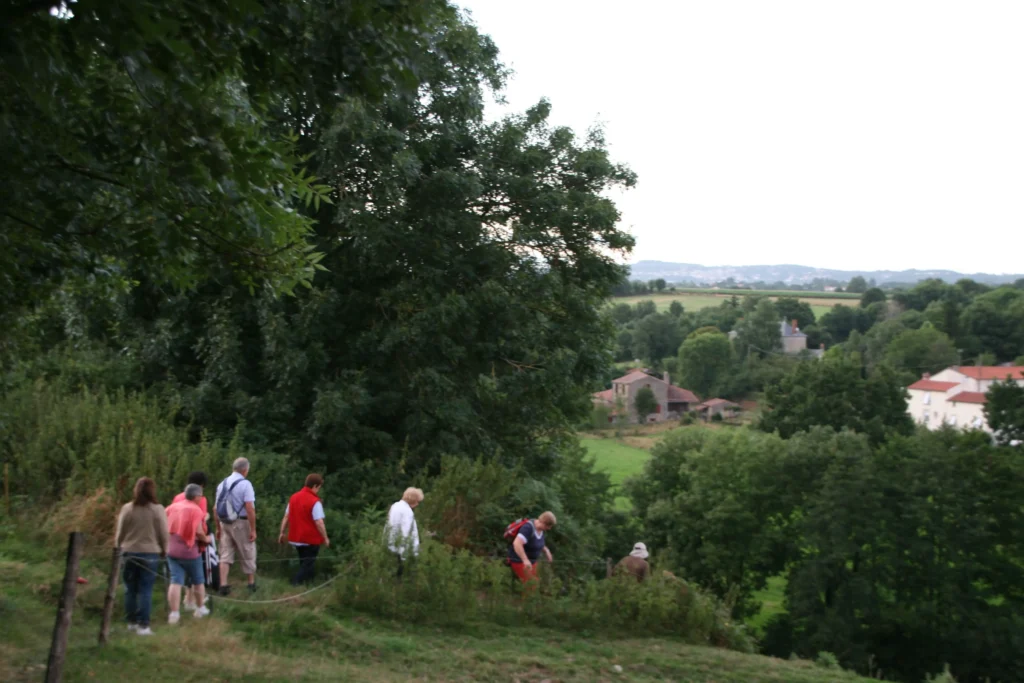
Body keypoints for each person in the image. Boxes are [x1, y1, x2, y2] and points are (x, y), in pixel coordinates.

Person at [115, 477, 169, 636]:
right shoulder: (157, 509)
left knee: (130, 589)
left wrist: (117, 546)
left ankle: (131, 621)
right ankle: (143, 625)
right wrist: (165, 549)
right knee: (146, 589)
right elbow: (163, 532)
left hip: (129, 551)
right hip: (150, 552)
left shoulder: (128, 508)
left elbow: (121, 531)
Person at [165, 484, 212, 623]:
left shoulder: (172, 507)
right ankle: (200, 608)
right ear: (197, 496)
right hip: (189, 551)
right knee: (198, 580)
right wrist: (207, 539)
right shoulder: (196, 510)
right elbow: (198, 531)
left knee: (175, 580)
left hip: (172, 549)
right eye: (201, 495)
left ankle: (174, 614)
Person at [215, 457, 257, 595]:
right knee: (247, 550)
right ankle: (251, 584)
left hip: (224, 522)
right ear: (245, 470)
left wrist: (217, 527)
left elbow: (215, 508)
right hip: (240, 522)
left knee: (225, 553)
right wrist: (253, 529)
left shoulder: (222, 484)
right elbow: (249, 508)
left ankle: (223, 585)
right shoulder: (245, 484)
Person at [278, 473, 330, 585]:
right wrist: (325, 537)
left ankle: (307, 584)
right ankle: (294, 583)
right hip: (310, 538)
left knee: (304, 562)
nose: (318, 490)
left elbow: (286, 516)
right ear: (315, 486)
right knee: (308, 563)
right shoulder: (314, 501)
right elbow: (319, 522)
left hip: (296, 537)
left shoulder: (294, 497)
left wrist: (282, 532)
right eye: (319, 488)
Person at [172, 471, 210, 611]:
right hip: (193, 539)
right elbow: (201, 520)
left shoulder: (177, 497)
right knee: (197, 574)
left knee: (177, 576)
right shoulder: (201, 499)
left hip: (176, 538)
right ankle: (194, 600)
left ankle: (185, 601)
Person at [507, 511, 556, 584]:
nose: (549, 528)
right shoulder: (528, 528)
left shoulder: (540, 530)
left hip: (532, 563)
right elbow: (517, 543)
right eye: (548, 526)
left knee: (536, 582)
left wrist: (546, 550)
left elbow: (538, 543)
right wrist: (525, 560)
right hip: (519, 561)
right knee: (531, 585)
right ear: (543, 522)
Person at [385, 487, 423, 578]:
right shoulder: (407, 511)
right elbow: (407, 532)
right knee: (405, 576)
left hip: (392, 545)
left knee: (394, 574)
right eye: (417, 501)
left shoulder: (395, 506)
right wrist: (412, 551)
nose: (417, 504)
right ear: (413, 500)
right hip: (404, 550)